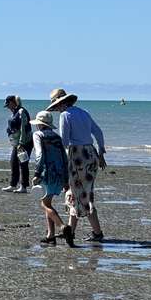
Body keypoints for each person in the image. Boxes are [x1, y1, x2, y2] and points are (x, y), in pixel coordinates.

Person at [46, 89, 107, 243]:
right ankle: (71, 231)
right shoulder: (84, 113)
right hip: (91, 154)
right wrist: (101, 152)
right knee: (83, 193)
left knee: (77, 194)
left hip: (77, 156)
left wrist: (59, 159)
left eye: (56, 106)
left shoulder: (65, 115)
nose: (57, 109)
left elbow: (64, 141)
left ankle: (96, 233)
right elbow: (98, 132)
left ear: (60, 104)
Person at [29, 110, 68, 246]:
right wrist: (66, 178)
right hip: (59, 172)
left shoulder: (38, 135)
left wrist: (37, 173)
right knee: (48, 202)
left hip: (47, 172)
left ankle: (62, 226)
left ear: (40, 124)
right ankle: (50, 236)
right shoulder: (57, 137)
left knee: (44, 204)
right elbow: (64, 157)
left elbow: (39, 155)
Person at [1, 94, 32, 193]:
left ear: (12, 103)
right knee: (13, 162)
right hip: (17, 143)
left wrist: (21, 143)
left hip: (25, 142)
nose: (8, 108)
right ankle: (13, 185)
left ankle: (23, 187)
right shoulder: (14, 112)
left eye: (8, 105)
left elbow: (23, 128)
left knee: (23, 163)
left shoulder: (21, 111)